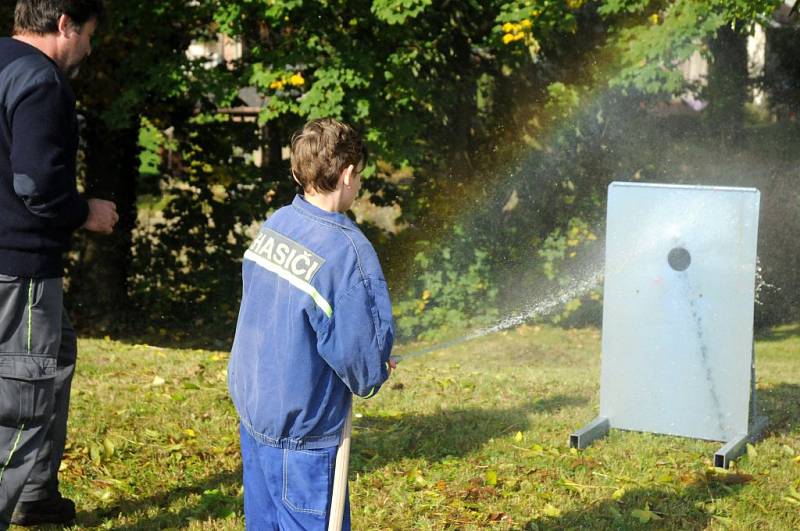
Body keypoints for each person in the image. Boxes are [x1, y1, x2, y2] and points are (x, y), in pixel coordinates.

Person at [228, 117, 396, 530]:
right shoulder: (347, 252)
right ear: (348, 174)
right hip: (304, 436)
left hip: (255, 415)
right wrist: (377, 368)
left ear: (296, 171)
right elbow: (363, 366)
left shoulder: (277, 224)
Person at [0, 1, 118, 527]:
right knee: (20, 398)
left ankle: (35, 492)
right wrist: (84, 211)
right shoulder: (41, 81)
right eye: (88, 34)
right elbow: (38, 186)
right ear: (65, 23)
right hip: (19, 267)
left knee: (58, 351)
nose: (89, 49)